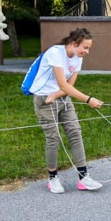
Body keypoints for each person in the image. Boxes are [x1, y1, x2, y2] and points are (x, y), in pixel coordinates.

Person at [28, 28, 104, 194]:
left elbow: (69, 85)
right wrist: (88, 99)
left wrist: (56, 94)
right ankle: (53, 178)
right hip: (44, 99)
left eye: (89, 48)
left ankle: (84, 178)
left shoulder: (78, 58)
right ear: (73, 43)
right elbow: (64, 84)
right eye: (85, 47)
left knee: (75, 132)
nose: (87, 51)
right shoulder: (55, 53)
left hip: (62, 97)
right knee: (53, 138)